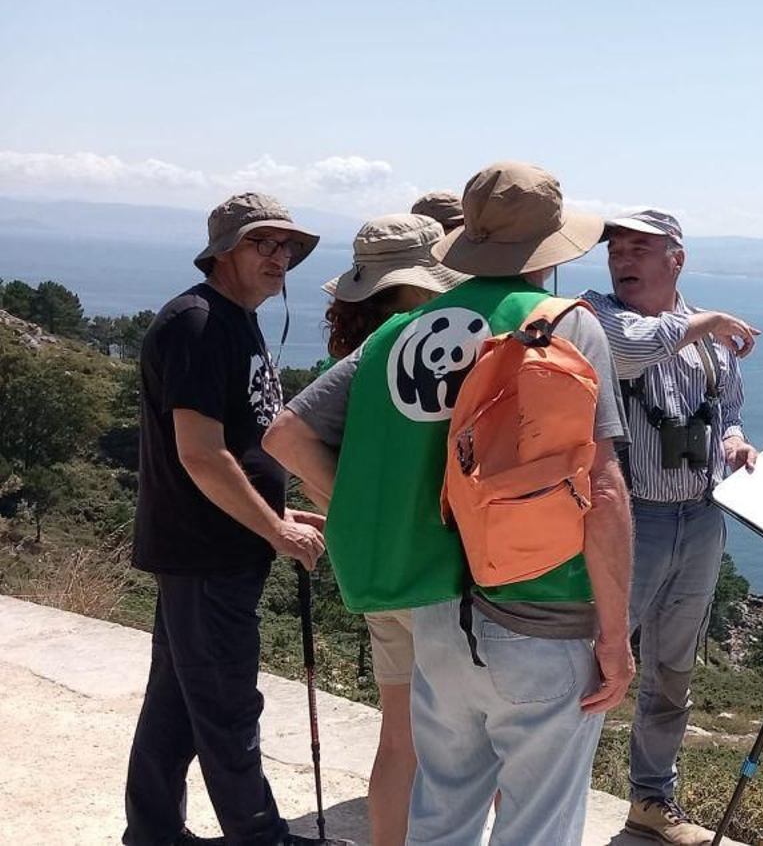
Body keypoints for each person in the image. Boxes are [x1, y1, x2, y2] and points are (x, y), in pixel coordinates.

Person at [264, 161, 633, 845]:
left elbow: (287, 433)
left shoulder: (395, 335)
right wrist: (614, 634)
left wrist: (352, 512)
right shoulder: (564, 327)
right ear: (548, 248)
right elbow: (604, 488)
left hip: (435, 609)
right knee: (537, 825)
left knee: (442, 813)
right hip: (544, 610)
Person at [124, 192, 327, 846]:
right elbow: (201, 455)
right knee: (229, 707)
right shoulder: (199, 323)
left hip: (208, 551)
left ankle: (153, 831)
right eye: (260, 244)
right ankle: (259, 836)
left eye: (285, 247)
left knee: (178, 706)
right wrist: (278, 530)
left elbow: (233, 449)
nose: (279, 257)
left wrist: (279, 510)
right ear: (223, 252)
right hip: (208, 556)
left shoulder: (233, 320)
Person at [580, 208, 760, 845]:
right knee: (594, 663)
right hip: (629, 519)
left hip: (703, 517)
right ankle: (553, 788)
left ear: (674, 259)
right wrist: (704, 321)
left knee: (672, 672)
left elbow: (728, 410)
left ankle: (652, 801)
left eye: (637, 248)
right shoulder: (596, 316)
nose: (621, 259)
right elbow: (630, 351)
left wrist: (736, 445)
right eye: (615, 249)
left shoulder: (709, 340)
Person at [313, 212, 469, 846]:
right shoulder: (411, 350)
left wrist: (356, 515)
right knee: (465, 747)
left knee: (398, 740)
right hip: (429, 570)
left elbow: (299, 443)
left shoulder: (353, 353)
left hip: (376, 570)